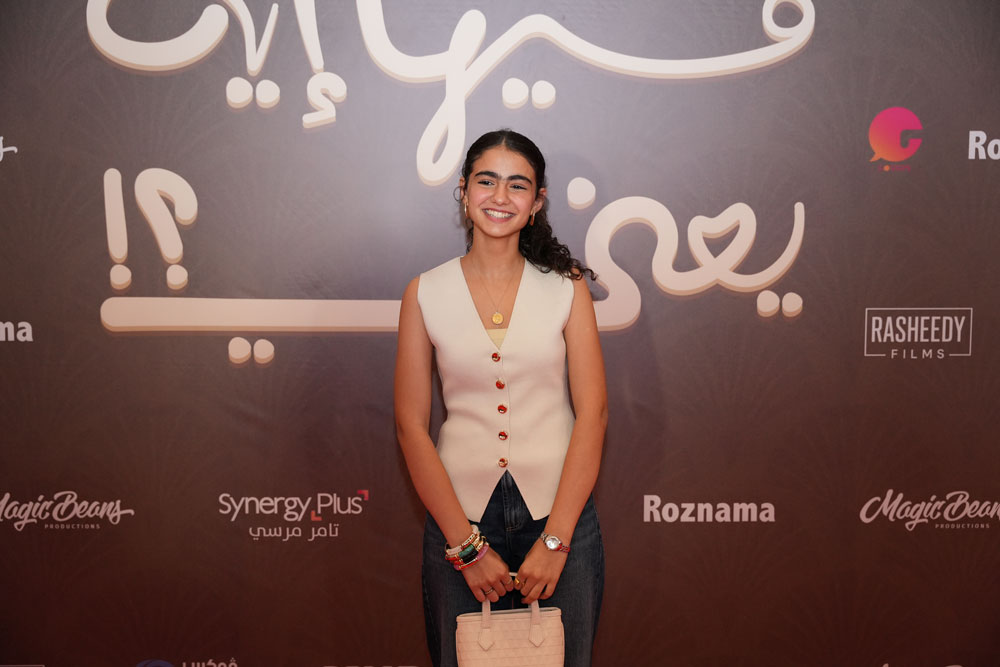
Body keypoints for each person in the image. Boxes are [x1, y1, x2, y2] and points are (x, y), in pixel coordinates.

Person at [394, 129, 607, 667]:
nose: (500, 196)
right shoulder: (424, 292)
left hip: (560, 517)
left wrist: (556, 542)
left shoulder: (567, 286)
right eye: (486, 181)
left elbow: (594, 414)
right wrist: (465, 548)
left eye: (518, 185)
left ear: (536, 203)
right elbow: (410, 426)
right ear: (464, 191)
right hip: (459, 521)